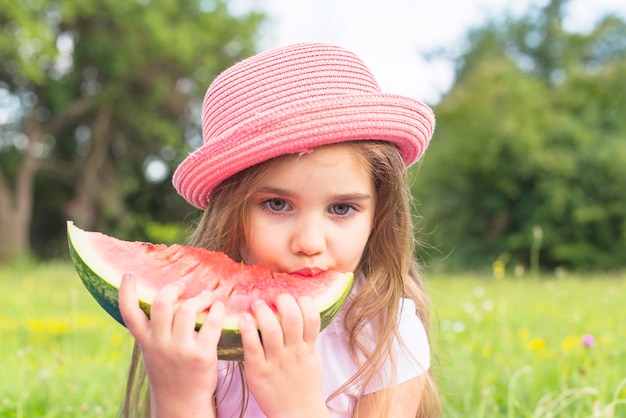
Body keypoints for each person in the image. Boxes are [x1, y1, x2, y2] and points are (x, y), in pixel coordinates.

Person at [118, 42, 440, 417]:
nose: (308, 242)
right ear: (230, 214)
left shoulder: (387, 335)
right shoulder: (195, 325)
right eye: (277, 204)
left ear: (379, 215)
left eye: (341, 208)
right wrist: (180, 396)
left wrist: (298, 407)